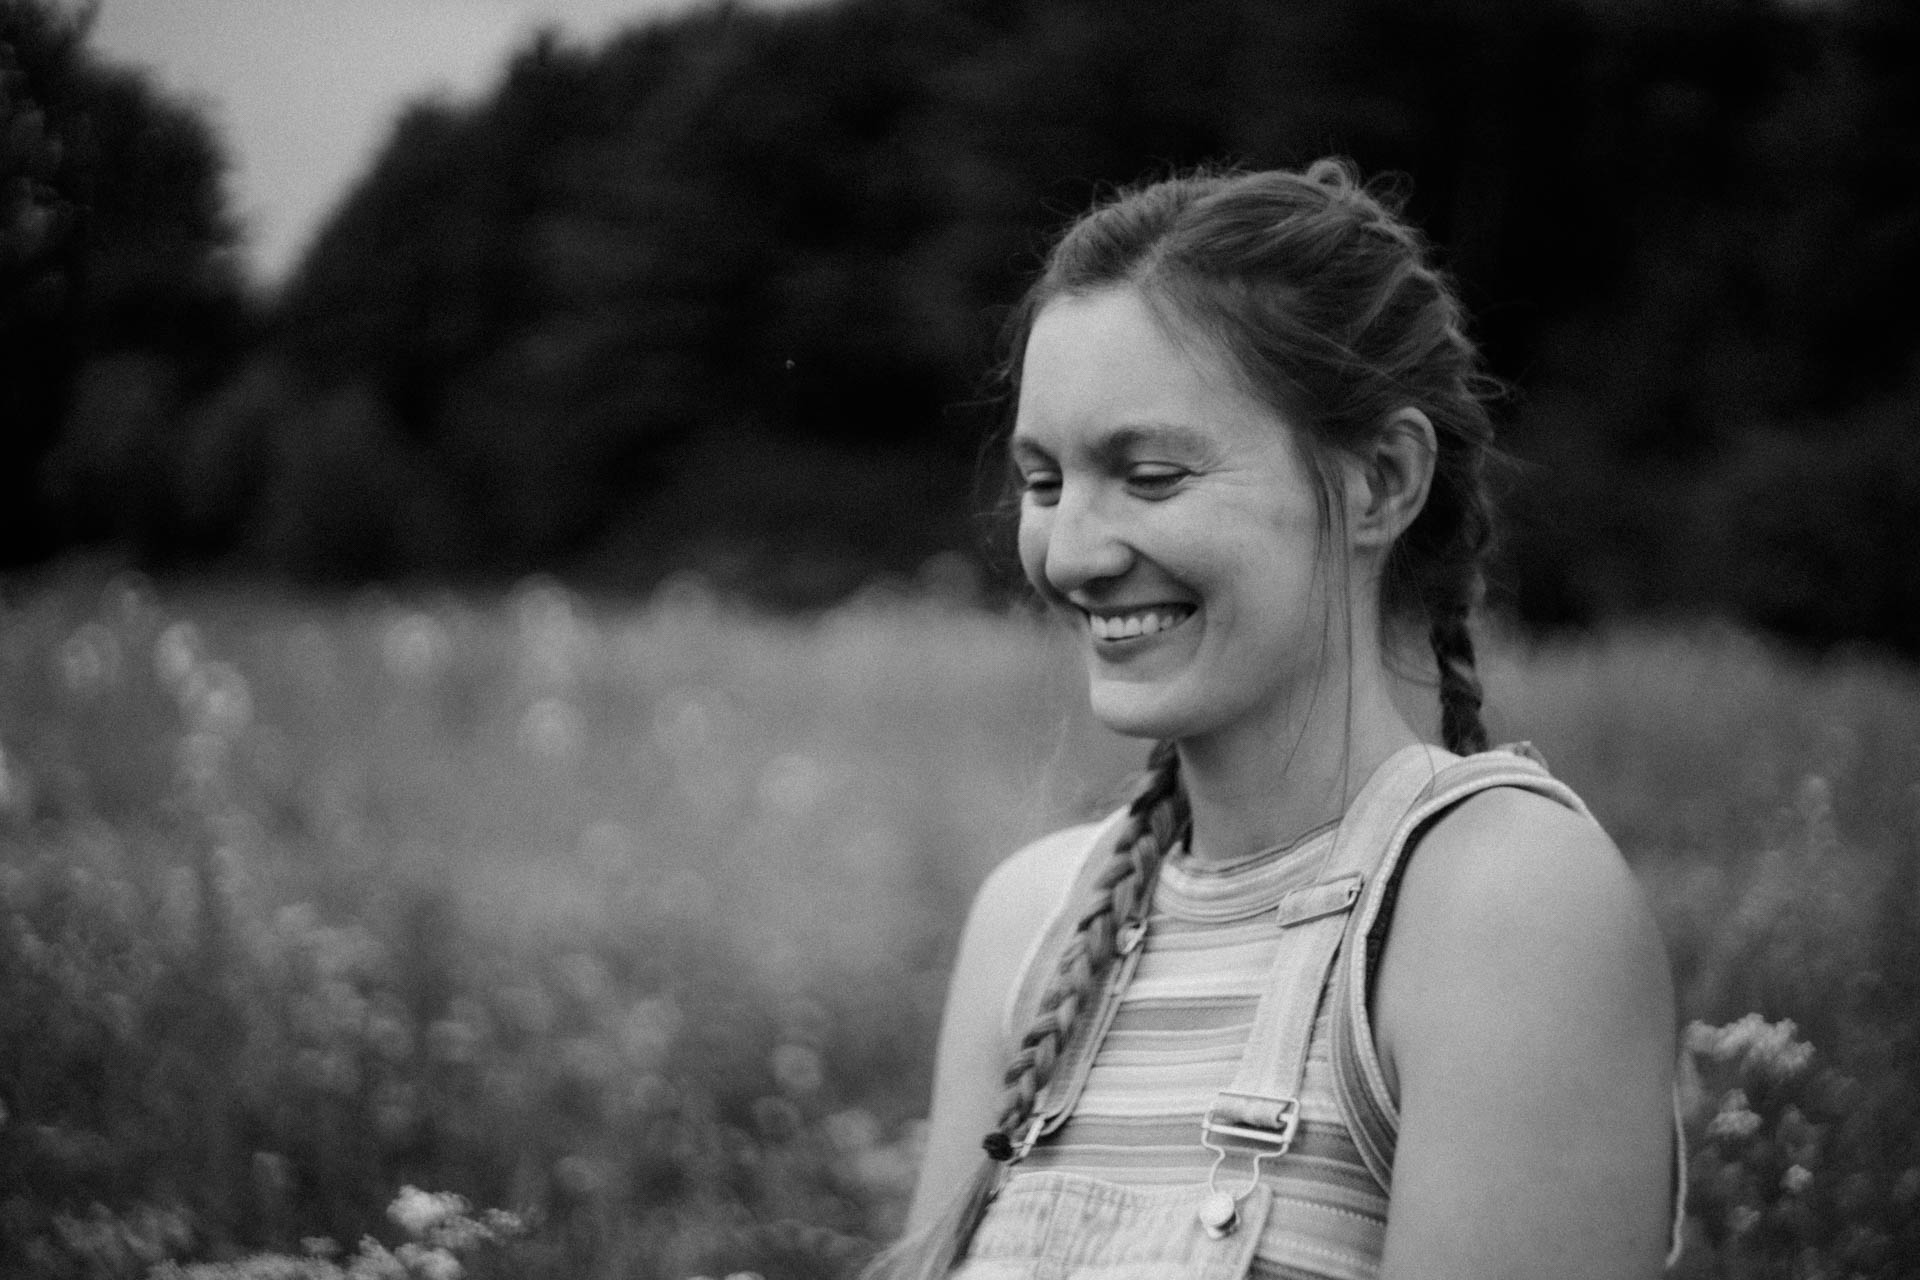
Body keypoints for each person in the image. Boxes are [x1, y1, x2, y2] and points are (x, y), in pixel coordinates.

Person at [866, 160, 1682, 1280]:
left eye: (1149, 475)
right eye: (1045, 480)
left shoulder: (1500, 908)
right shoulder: (1029, 924)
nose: (1072, 552)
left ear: (1381, 481)